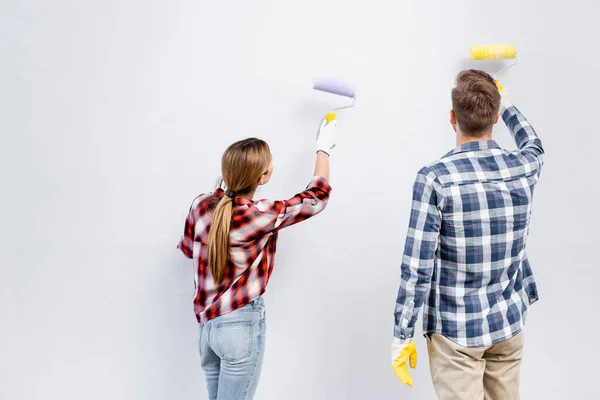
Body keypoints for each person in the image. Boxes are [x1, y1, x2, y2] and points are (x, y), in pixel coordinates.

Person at [391, 69, 544, 399]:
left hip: (457, 331)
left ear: (452, 118)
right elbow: (534, 144)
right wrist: (510, 106)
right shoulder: (524, 166)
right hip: (509, 320)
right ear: (495, 116)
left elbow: (417, 267)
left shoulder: (435, 179)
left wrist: (402, 335)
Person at [177, 118, 337, 400]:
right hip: (239, 326)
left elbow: (190, 250)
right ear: (262, 177)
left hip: (206, 330)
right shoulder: (261, 214)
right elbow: (316, 198)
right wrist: (323, 149)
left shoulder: (199, 205)